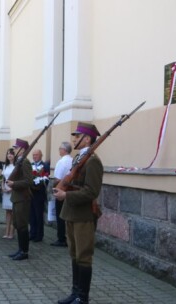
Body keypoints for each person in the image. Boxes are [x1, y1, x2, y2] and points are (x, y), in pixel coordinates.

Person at [54, 122, 103, 304]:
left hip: (83, 216)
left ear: (87, 139)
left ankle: (83, 297)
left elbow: (91, 191)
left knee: (83, 255)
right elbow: (74, 181)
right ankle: (75, 293)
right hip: (72, 214)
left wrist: (66, 194)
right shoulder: (78, 158)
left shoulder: (93, 161)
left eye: (77, 136)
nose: (73, 139)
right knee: (74, 254)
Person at [5, 139, 34, 261]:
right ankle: (20, 249)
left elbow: (29, 181)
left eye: (16, 148)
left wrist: (14, 183)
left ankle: (24, 251)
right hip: (17, 197)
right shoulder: (19, 162)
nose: (15, 150)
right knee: (17, 224)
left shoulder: (25, 162)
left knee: (22, 225)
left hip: (23, 197)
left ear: (22, 149)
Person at [51, 142, 73, 247]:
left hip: (61, 190)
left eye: (60, 148)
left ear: (64, 150)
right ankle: (70, 237)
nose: (59, 150)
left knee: (60, 215)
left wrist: (53, 187)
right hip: (70, 190)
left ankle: (61, 238)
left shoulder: (61, 162)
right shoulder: (73, 160)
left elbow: (57, 179)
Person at [29, 149, 50, 242]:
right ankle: (32, 233)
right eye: (33, 155)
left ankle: (39, 235)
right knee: (31, 215)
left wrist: (40, 182)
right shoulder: (30, 165)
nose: (34, 156)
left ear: (41, 155)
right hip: (30, 193)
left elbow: (47, 179)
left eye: (36, 155)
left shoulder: (45, 166)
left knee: (39, 215)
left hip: (39, 194)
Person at [1, 148, 15, 239]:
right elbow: (3, 178)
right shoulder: (5, 166)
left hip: (13, 190)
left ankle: (12, 232)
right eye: (8, 154)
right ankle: (6, 231)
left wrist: (12, 188)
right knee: (8, 212)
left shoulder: (17, 166)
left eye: (11, 154)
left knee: (14, 212)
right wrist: (2, 187)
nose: (9, 155)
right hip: (6, 190)